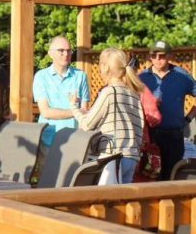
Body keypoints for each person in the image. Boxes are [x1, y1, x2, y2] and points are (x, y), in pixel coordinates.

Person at [68, 48, 144, 184]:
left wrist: (74, 107)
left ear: (105, 67)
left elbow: (86, 125)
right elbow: (139, 128)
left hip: (113, 158)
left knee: (107, 203)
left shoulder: (109, 92)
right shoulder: (134, 94)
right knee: (124, 202)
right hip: (132, 157)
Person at [139, 41, 196, 181]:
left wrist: (188, 118)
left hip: (174, 135)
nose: (157, 59)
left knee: (172, 177)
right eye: (154, 55)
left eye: (162, 55)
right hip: (150, 137)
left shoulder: (182, 75)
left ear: (170, 56)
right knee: (150, 178)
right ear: (150, 57)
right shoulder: (142, 78)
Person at [33, 36, 90, 148]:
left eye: (69, 50)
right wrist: (75, 111)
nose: (66, 54)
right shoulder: (41, 76)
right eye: (61, 50)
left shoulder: (80, 76)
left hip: (74, 140)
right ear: (50, 53)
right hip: (48, 140)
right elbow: (46, 112)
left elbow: (85, 111)